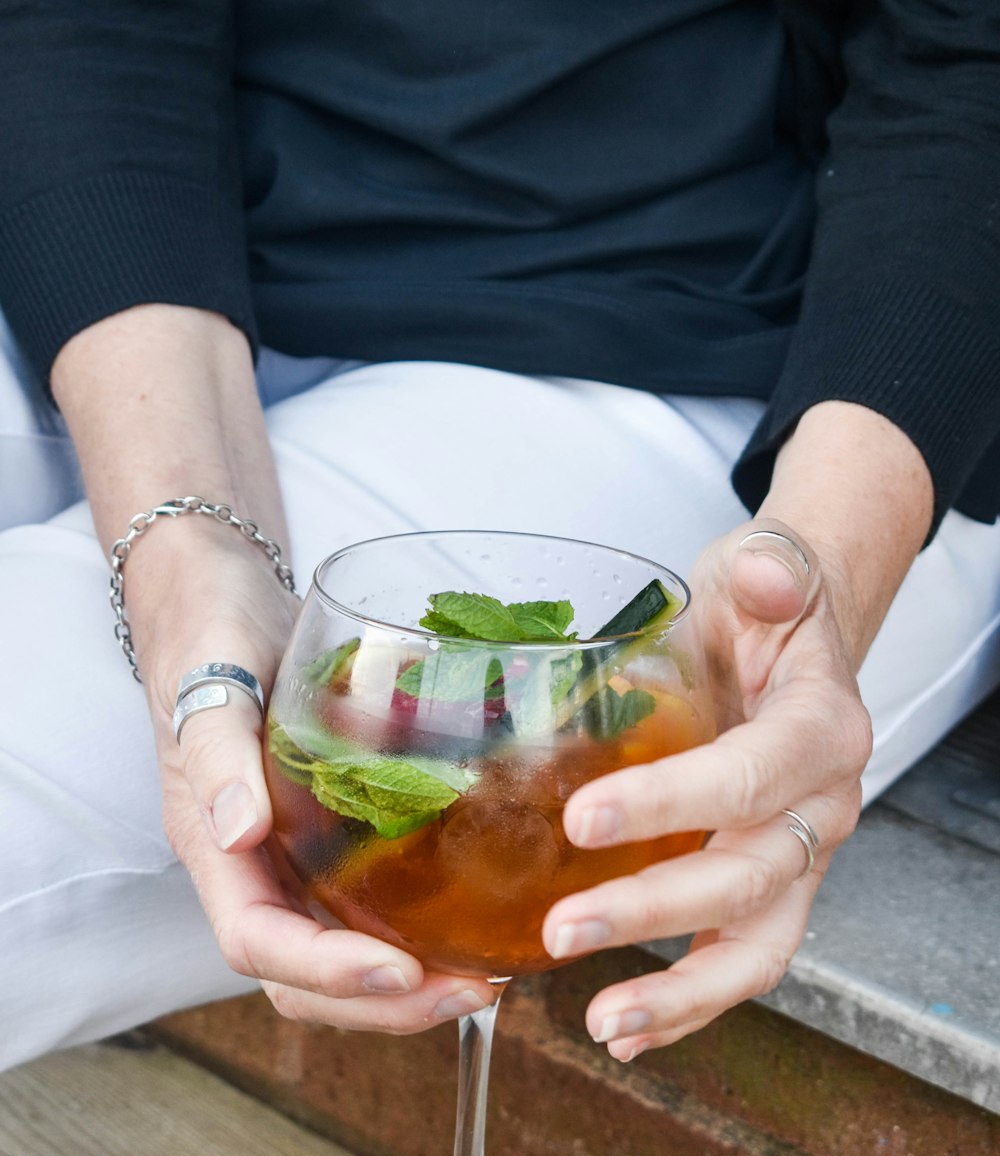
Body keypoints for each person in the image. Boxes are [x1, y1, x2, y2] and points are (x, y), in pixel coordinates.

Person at [1, 0, 998, 1074]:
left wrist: (827, 561)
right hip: (133, 265)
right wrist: (186, 553)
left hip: (706, 336)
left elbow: (965, 62)